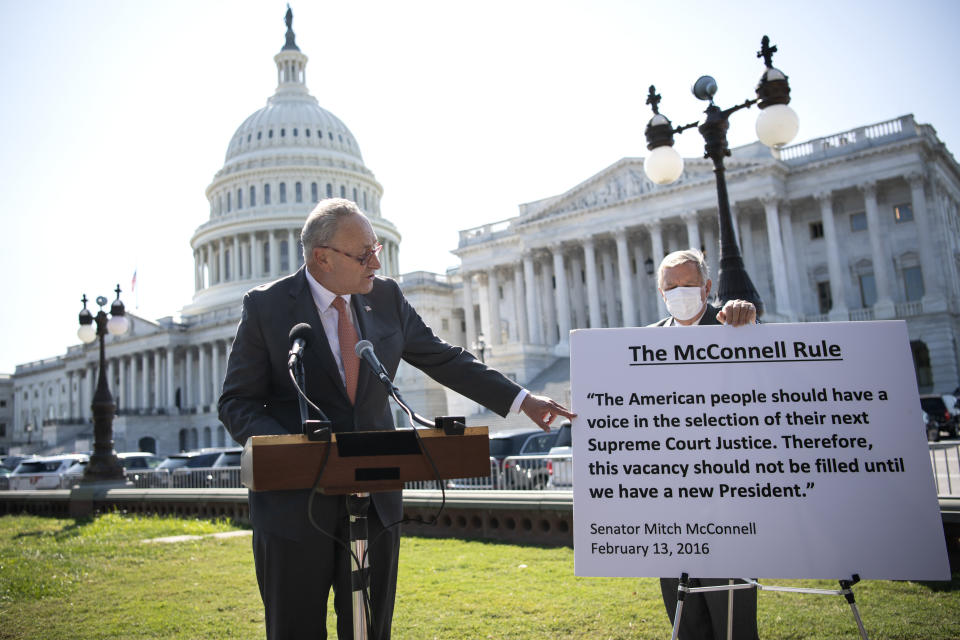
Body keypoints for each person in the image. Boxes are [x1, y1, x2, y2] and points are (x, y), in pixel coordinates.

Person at [218, 198, 574, 640]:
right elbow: (236, 402)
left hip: (374, 503)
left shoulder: (385, 297)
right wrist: (292, 447)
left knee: (372, 631)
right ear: (321, 258)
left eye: (377, 249)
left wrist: (521, 399)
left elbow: (444, 358)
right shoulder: (267, 308)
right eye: (362, 253)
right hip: (294, 509)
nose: (375, 262)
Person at [650, 248, 759, 640]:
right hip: (666, 511)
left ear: (707, 287)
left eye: (689, 285)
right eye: (671, 286)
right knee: (685, 623)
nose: (679, 292)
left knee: (734, 626)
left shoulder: (735, 326)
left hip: (729, 506)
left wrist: (748, 317)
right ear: (661, 292)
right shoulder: (641, 342)